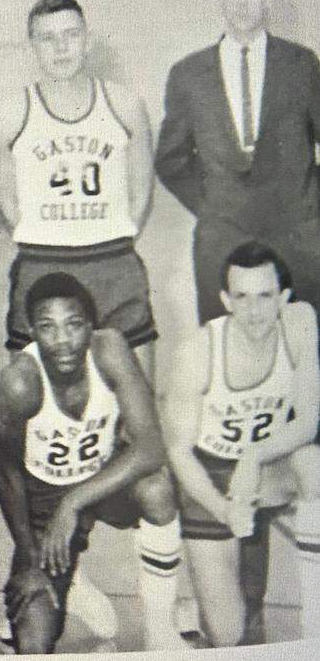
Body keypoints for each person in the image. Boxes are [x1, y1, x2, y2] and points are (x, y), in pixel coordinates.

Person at [0, 272, 188, 652]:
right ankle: (69, 576)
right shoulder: (17, 384)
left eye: (74, 325)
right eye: (48, 328)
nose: (63, 341)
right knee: (32, 643)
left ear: (91, 326)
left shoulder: (110, 349)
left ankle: (161, 631)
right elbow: (7, 474)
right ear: (32, 331)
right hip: (44, 497)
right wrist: (31, 558)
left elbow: (150, 448)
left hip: (104, 478)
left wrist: (74, 501)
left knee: (158, 490)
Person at [0, 0, 157, 377]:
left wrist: (108, 234)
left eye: (70, 34)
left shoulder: (124, 104)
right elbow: (7, 200)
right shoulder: (11, 113)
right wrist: (47, 234)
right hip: (43, 262)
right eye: (46, 38)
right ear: (31, 45)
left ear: (88, 39)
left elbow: (141, 194)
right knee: (35, 396)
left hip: (111, 261)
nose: (60, 47)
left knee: (136, 392)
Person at [163, 241, 320, 645]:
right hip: (210, 477)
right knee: (230, 638)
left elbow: (307, 422)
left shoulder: (300, 323)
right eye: (242, 297)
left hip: (268, 469)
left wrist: (254, 456)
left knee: (311, 462)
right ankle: (204, 605)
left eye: (265, 296)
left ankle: (317, 623)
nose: (253, 311)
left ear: (284, 297)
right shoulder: (197, 350)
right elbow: (179, 451)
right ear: (224, 300)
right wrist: (223, 507)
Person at [156, 0, 320, 324]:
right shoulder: (189, 74)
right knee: (222, 351)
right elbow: (170, 159)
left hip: (297, 239)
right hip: (222, 239)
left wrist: (308, 203)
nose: (242, 0)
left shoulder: (302, 64)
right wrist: (214, 205)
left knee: (305, 350)